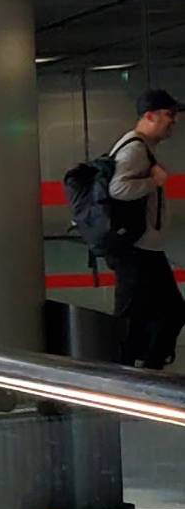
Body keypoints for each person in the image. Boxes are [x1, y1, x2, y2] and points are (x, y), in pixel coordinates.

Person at [103, 88, 185, 369]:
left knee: (156, 313)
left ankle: (143, 369)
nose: (173, 121)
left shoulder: (140, 147)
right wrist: (155, 181)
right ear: (149, 116)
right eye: (168, 115)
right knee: (142, 314)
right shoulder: (136, 149)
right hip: (136, 249)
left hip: (142, 247)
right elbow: (118, 188)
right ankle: (130, 373)